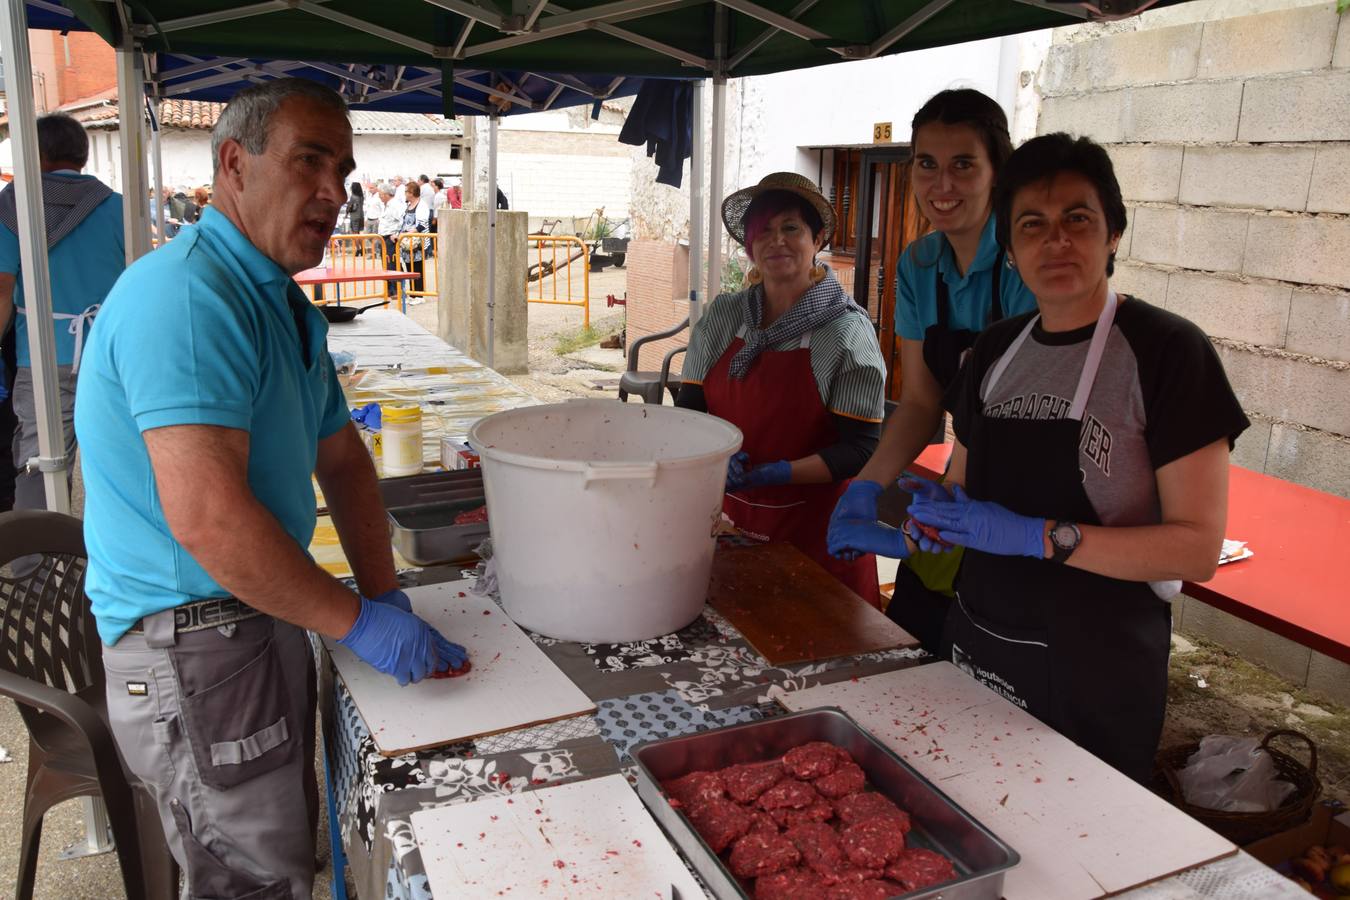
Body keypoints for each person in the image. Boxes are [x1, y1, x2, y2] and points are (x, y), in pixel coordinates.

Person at [76, 79, 468, 899]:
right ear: (234, 165)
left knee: (287, 858)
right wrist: (357, 621)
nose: (333, 192)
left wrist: (382, 593)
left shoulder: (278, 301)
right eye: (309, 162)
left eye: (343, 171)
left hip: (253, 615)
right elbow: (210, 520)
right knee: (253, 883)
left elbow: (345, 462)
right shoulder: (189, 298)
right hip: (194, 644)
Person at [898, 133, 1248, 782]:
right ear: (1010, 248)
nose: (1055, 241)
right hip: (979, 636)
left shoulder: (1168, 352)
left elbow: (1196, 549)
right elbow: (960, 482)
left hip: (1096, 666)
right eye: (1032, 224)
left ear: (1114, 233)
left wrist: (1038, 536)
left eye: (1077, 219)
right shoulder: (994, 351)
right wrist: (928, 515)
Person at [827, 89, 1037, 651]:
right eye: (927, 164)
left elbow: (1011, 411)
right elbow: (922, 401)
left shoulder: (1028, 261)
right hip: (958, 489)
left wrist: (950, 500)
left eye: (963, 164)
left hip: (1030, 502)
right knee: (914, 642)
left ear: (997, 171)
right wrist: (867, 484)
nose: (942, 185)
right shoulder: (919, 264)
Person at [676, 173, 886, 604]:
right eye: (763, 230)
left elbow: (860, 447)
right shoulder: (724, 316)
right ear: (749, 245)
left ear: (818, 238)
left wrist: (780, 472)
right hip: (729, 524)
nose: (777, 241)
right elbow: (688, 413)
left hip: (820, 539)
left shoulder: (845, 330)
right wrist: (713, 458)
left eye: (791, 227)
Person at [0, 112, 124, 522]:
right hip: (111, 355)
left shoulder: (13, 206)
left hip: (41, 356)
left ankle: (37, 558)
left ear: (36, 155)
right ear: (82, 156)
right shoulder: (117, 206)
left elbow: (2, 288)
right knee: (117, 463)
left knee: (40, 465)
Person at [399, 181, 428, 297]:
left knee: (417, 268)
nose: (405, 193)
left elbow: (422, 225)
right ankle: (413, 294)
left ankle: (419, 294)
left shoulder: (422, 205)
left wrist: (408, 233)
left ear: (412, 192)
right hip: (407, 242)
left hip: (417, 243)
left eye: (406, 191)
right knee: (409, 268)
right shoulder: (408, 205)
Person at [377, 180, 405, 260]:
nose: (379, 196)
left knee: (392, 263)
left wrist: (397, 235)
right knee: (386, 263)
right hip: (384, 238)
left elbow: (402, 220)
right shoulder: (386, 205)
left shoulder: (395, 205)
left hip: (391, 239)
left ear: (386, 194)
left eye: (380, 194)